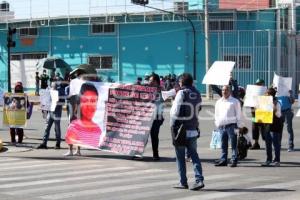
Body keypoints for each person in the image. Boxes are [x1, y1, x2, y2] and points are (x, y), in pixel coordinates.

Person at [171, 73, 204, 191]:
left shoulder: (182, 93)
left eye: (179, 82)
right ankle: (199, 179)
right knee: (194, 155)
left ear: (182, 82)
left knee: (180, 157)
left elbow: (174, 112)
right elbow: (199, 108)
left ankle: (183, 182)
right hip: (193, 128)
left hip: (181, 130)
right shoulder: (198, 93)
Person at [64, 83, 101, 156]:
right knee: (73, 133)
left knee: (76, 134)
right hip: (75, 118)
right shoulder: (72, 92)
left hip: (76, 118)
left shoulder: (98, 130)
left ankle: (75, 151)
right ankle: (74, 151)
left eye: (93, 101)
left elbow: (74, 110)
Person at [214, 85, 242, 167]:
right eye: (223, 90)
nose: (224, 91)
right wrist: (217, 123)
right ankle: (223, 160)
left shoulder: (235, 101)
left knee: (233, 144)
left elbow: (239, 114)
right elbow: (216, 114)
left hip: (232, 126)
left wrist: (239, 126)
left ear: (230, 91)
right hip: (222, 126)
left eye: (226, 90)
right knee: (223, 144)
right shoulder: (219, 102)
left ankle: (234, 159)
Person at [37, 81, 64, 149]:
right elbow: (45, 101)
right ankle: (44, 143)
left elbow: (63, 102)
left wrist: (58, 101)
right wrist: (44, 107)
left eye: (53, 86)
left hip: (57, 112)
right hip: (50, 112)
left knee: (57, 128)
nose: (52, 88)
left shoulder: (60, 92)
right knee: (47, 127)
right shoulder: (48, 92)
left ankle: (58, 144)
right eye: (51, 86)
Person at [261, 88, 283, 167]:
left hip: (275, 126)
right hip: (267, 126)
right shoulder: (264, 102)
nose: (265, 95)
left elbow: (279, 115)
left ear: (270, 95)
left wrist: (274, 107)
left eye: (266, 94)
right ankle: (268, 159)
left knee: (276, 144)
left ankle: (277, 160)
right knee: (267, 144)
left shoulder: (277, 103)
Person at [147, 73, 164, 160]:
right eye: (149, 80)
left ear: (157, 82)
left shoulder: (161, 91)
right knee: (142, 135)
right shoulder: (146, 90)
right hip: (146, 116)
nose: (150, 82)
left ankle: (155, 154)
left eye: (152, 81)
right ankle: (137, 153)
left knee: (154, 135)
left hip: (157, 117)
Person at [250, 79, 266, 149]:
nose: (258, 85)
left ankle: (267, 143)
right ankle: (256, 143)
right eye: (257, 84)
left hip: (263, 113)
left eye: (260, 84)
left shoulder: (265, 91)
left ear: (263, 84)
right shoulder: (253, 91)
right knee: (254, 128)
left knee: (263, 128)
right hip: (254, 113)